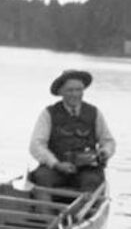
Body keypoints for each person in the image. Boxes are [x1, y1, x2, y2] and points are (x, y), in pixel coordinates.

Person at [29, 69, 115, 198]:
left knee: (93, 182)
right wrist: (56, 164)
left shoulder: (94, 113)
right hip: (54, 168)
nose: (75, 94)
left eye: (79, 90)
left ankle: (80, 215)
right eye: (70, 90)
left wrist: (105, 152)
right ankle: (45, 216)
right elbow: (36, 145)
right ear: (61, 92)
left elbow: (108, 141)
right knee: (41, 179)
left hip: (87, 170)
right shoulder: (48, 113)